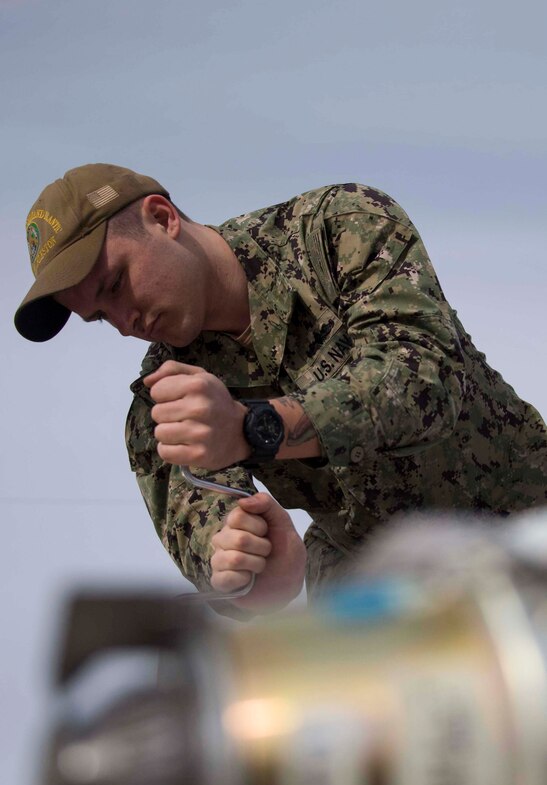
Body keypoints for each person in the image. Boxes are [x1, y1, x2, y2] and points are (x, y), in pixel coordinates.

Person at [14, 164, 547, 616]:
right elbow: (208, 538)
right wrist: (249, 574)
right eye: (100, 317)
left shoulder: (338, 229)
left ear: (162, 218)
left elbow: (425, 379)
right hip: (385, 600)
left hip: (527, 525)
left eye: (115, 284)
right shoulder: (165, 406)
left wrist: (253, 428)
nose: (125, 320)